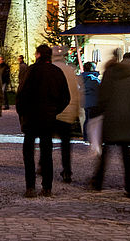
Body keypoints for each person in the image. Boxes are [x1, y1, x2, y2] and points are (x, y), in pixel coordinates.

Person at [16, 44, 70, 197]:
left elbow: (21, 93)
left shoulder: (31, 70)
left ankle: (30, 186)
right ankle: (47, 186)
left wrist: (22, 113)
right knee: (46, 152)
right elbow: (66, 97)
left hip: (31, 116)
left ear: (38, 54)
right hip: (48, 117)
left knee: (29, 153)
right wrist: (54, 110)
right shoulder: (56, 72)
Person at [89, 53, 130, 197]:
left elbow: (103, 97)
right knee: (126, 155)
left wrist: (98, 113)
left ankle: (97, 182)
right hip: (127, 118)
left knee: (105, 152)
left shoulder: (110, 74)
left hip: (111, 118)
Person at [52, 45, 83, 183]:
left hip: (53, 111)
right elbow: (76, 93)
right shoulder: (70, 70)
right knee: (65, 144)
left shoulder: (51, 69)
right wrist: (76, 110)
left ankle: (43, 165)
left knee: (46, 141)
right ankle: (67, 171)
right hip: (68, 111)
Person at [80, 62, 101, 144]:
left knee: (87, 120)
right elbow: (99, 89)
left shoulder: (81, 78)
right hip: (94, 102)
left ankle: (86, 138)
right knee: (93, 121)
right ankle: (92, 138)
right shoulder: (93, 78)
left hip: (85, 102)